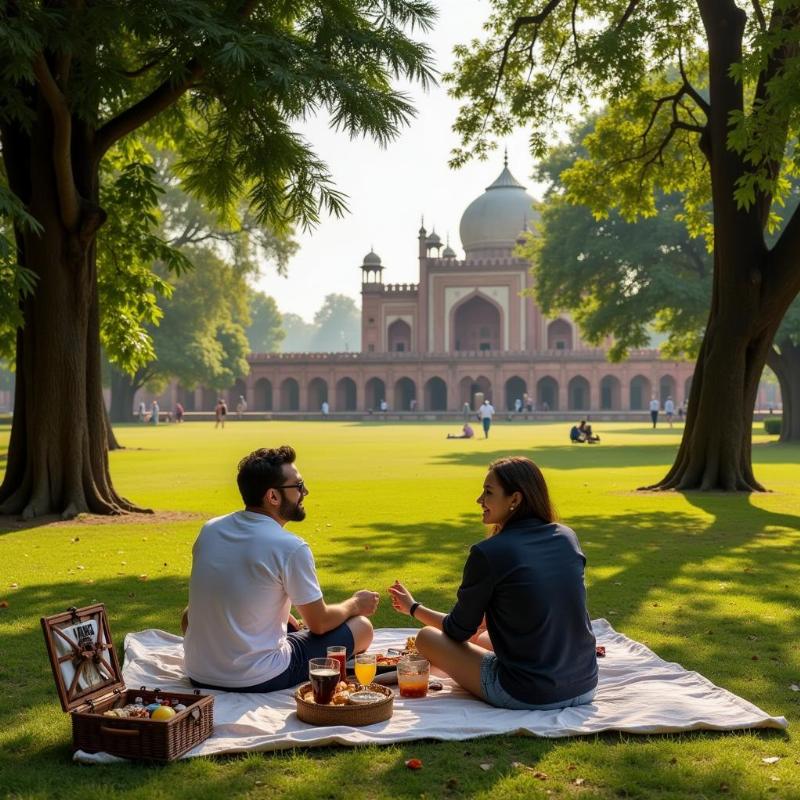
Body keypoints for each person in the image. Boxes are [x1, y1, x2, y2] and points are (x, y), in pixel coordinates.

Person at [388, 456, 597, 710]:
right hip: (584, 684)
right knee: (484, 638)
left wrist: (413, 608)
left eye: (488, 492)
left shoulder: (489, 552)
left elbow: (459, 630)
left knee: (427, 638)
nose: (480, 500)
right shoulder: (566, 536)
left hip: (527, 693)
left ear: (515, 499)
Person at [183, 445, 379, 692]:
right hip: (259, 677)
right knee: (362, 628)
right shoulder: (290, 547)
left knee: (193, 610)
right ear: (273, 497)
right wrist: (355, 603)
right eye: (298, 486)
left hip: (199, 673)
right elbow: (319, 623)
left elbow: (238, 585)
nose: (305, 491)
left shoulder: (210, 529)